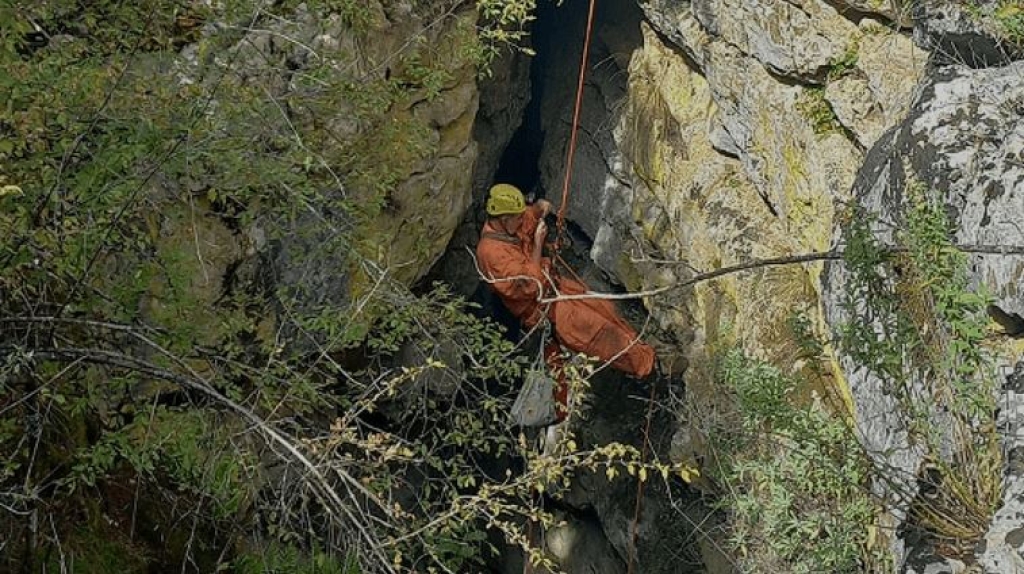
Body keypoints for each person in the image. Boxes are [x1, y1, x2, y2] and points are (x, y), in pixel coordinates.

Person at [476, 183, 656, 418]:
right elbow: (532, 286)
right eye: (516, 218)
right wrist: (539, 244)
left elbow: (538, 209)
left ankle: (643, 350)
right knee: (597, 331)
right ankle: (651, 367)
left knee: (605, 309)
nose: (522, 221)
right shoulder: (491, 254)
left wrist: (541, 209)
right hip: (544, 308)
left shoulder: (511, 225)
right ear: (502, 218)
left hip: (557, 289)